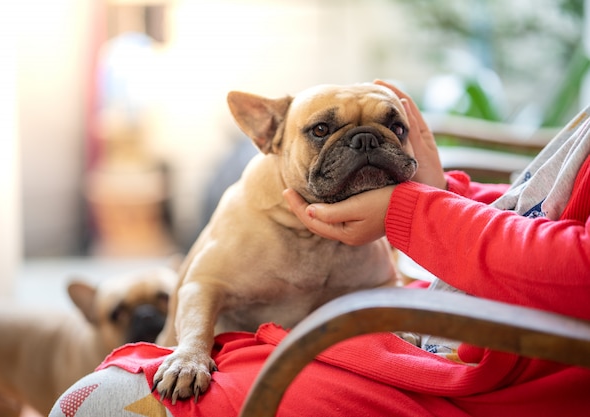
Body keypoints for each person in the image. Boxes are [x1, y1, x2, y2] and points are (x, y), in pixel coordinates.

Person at [49, 81, 590, 417]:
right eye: (326, 131)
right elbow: (203, 285)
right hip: (458, 317)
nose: (362, 145)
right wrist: (448, 193)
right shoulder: (249, 216)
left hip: (516, 358)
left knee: (98, 405)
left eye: (386, 129)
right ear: (270, 136)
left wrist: (415, 213)